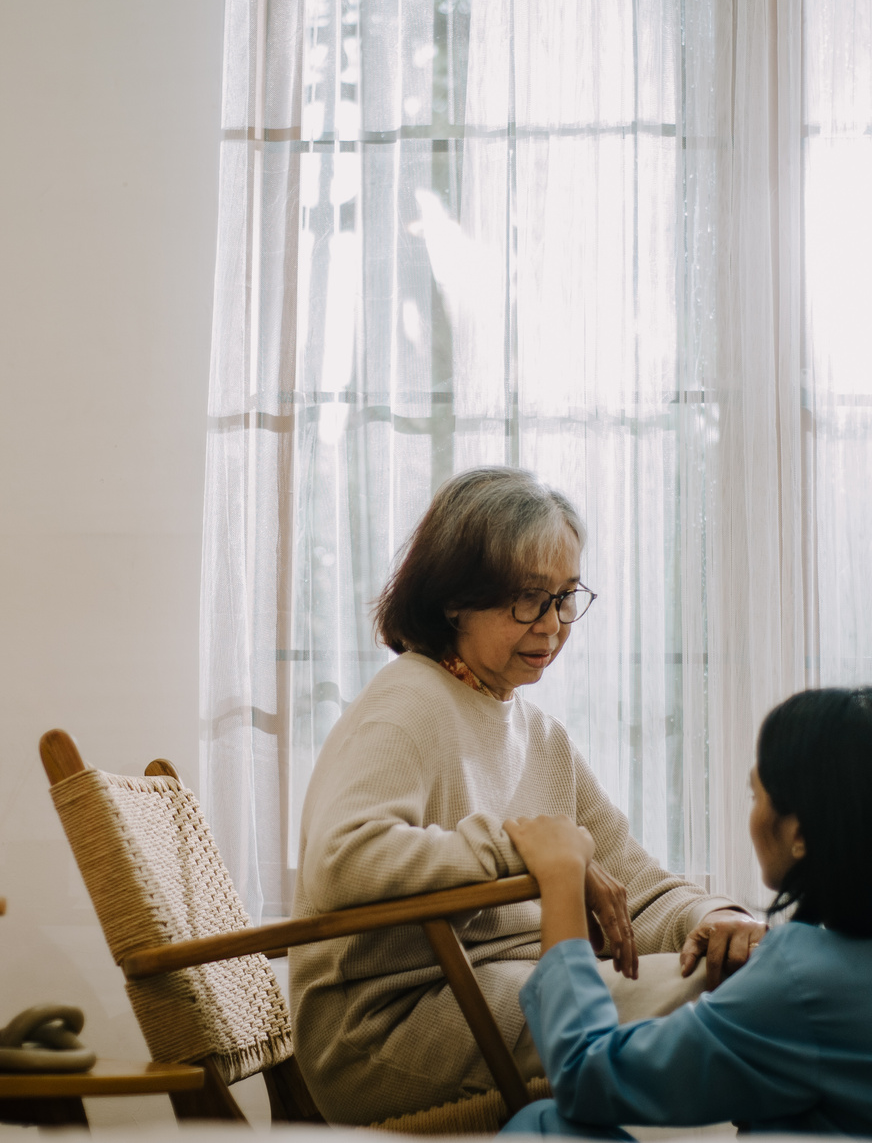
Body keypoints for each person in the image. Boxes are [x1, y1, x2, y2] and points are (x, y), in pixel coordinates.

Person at [290, 467, 766, 1124]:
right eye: (526, 599)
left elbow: (637, 885)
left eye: (565, 596)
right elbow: (342, 859)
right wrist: (530, 850)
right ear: (455, 600)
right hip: (388, 1024)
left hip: (498, 991)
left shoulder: (537, 731)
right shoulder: (407, 702)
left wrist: (718, 919)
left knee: (740, 969)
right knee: (722, 999)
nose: (552, 625)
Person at [500, 686, 872, 1140]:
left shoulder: (807, 979)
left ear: (797, 831)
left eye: (755, 794)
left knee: (542, 1124)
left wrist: (559, 878)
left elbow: (584, 1075)